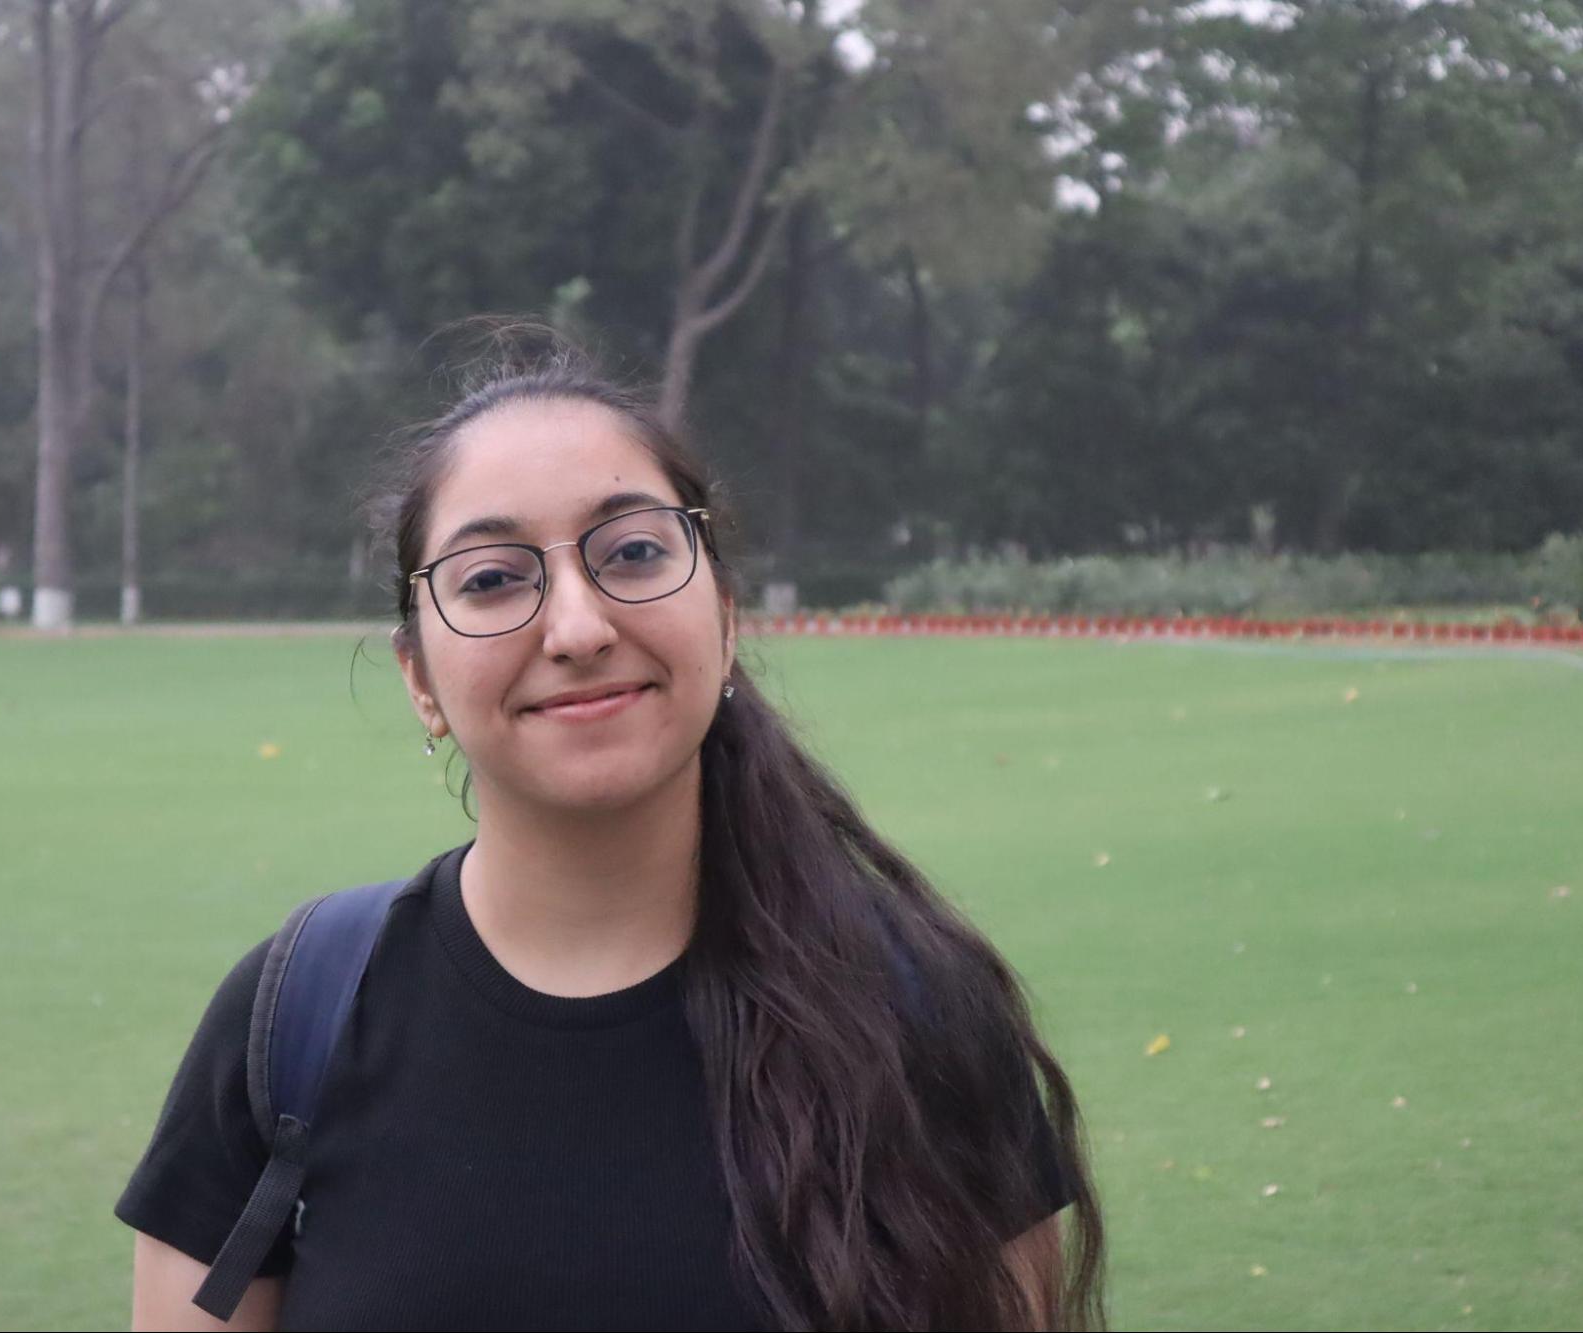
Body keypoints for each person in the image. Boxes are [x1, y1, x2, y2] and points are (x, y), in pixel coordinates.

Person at [116, 329, 1105, 1331]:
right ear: (419, 678)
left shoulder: (916, 1012)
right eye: (491, 578)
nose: (579, 628)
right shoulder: (291, 1022)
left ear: (724, 614)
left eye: (632, 552)